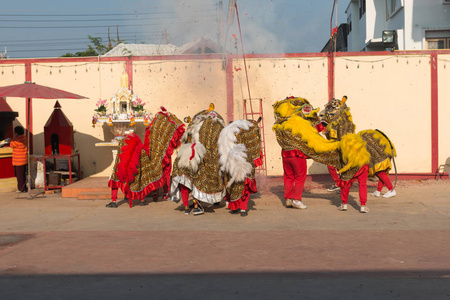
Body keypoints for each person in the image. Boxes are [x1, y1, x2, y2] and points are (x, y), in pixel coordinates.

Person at [10, 126, 28, 193]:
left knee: (19, 176)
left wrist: (11, 139)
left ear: (17, 133)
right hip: (24, 160)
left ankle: (21, 189)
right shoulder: (24, 138)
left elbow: (11, 145)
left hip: (18, 161)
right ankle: (24, 188)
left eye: (14, 132)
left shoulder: (17, 141)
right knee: (23, 175)